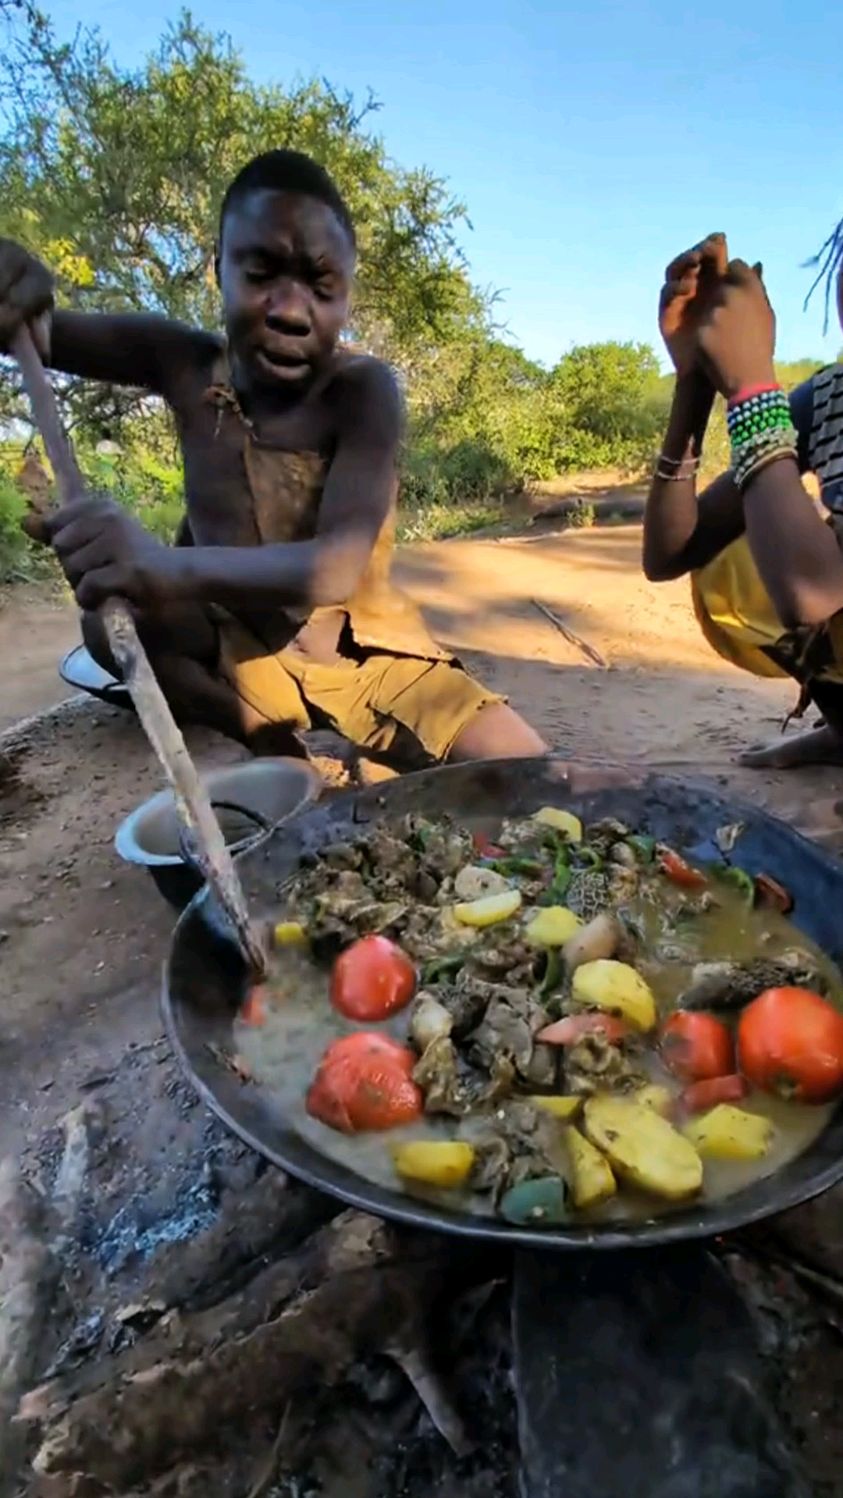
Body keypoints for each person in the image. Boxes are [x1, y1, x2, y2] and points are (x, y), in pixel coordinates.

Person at [0, 149, 547, 765]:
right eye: (261, 274)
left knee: (527, 771)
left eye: (321, 287)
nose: (290, 311)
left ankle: (308, 735)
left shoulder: (362, 392)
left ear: (347, 294)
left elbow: (334, 569)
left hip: (366, 664)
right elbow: (41, 334)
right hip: (241, 655)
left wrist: (158, 565)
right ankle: (269, 738)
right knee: (107, 625)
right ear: (219, 268)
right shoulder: (180, 361)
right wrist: (19, 293)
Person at [643, 230, 843, 768]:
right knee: (735, 561)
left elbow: (812, 595)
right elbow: (672, 553)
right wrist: (697, 380)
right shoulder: (830, 395)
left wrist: (752, 389)